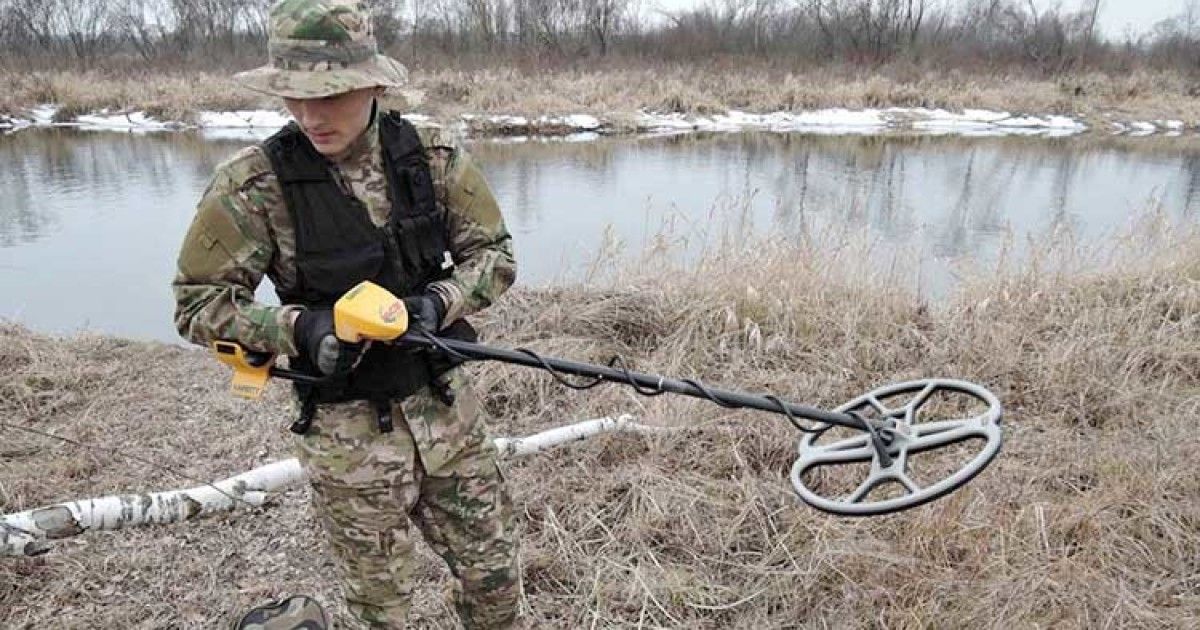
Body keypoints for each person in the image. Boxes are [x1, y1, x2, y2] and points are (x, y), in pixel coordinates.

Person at [171, 1, 520, 627]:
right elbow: (198, 303)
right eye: (294, 98)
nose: (310, 116)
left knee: (494, 580)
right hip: (348, 445)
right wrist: (299, 329)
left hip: (448, 416)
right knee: (381, 610)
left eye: (329, 95)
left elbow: (494, 256)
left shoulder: (434, 158)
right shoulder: (255, 186)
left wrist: (438, 303)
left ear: (373, 85)